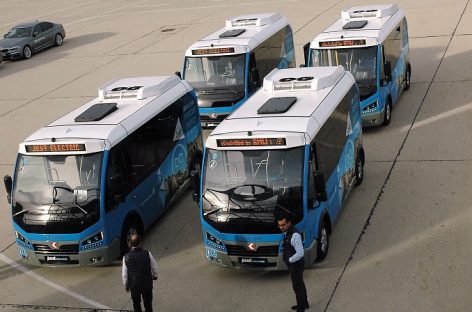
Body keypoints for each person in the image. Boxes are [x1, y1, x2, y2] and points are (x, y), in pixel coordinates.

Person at [277, 214, 309, 312]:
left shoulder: (295, 235)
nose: (281, 227)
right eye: (279, 225)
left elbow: (300, 253)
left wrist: (290, 260)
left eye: (283, 224)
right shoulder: (288, 232)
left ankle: (301, 309)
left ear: (289, 223)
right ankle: (304, 303)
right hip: (294, 264)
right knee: (300, 284)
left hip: (296, 265)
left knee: (297, 286)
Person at [122, 234, 158, 312]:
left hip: (134, 286)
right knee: (148, 304)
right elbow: (154, 266)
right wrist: (155, 275)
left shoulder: (126, 257)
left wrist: (126, 285)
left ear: (130, 244)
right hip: (147, 284)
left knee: (136, 304)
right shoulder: (147, 253)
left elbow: (124, 274)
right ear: (140, 242)